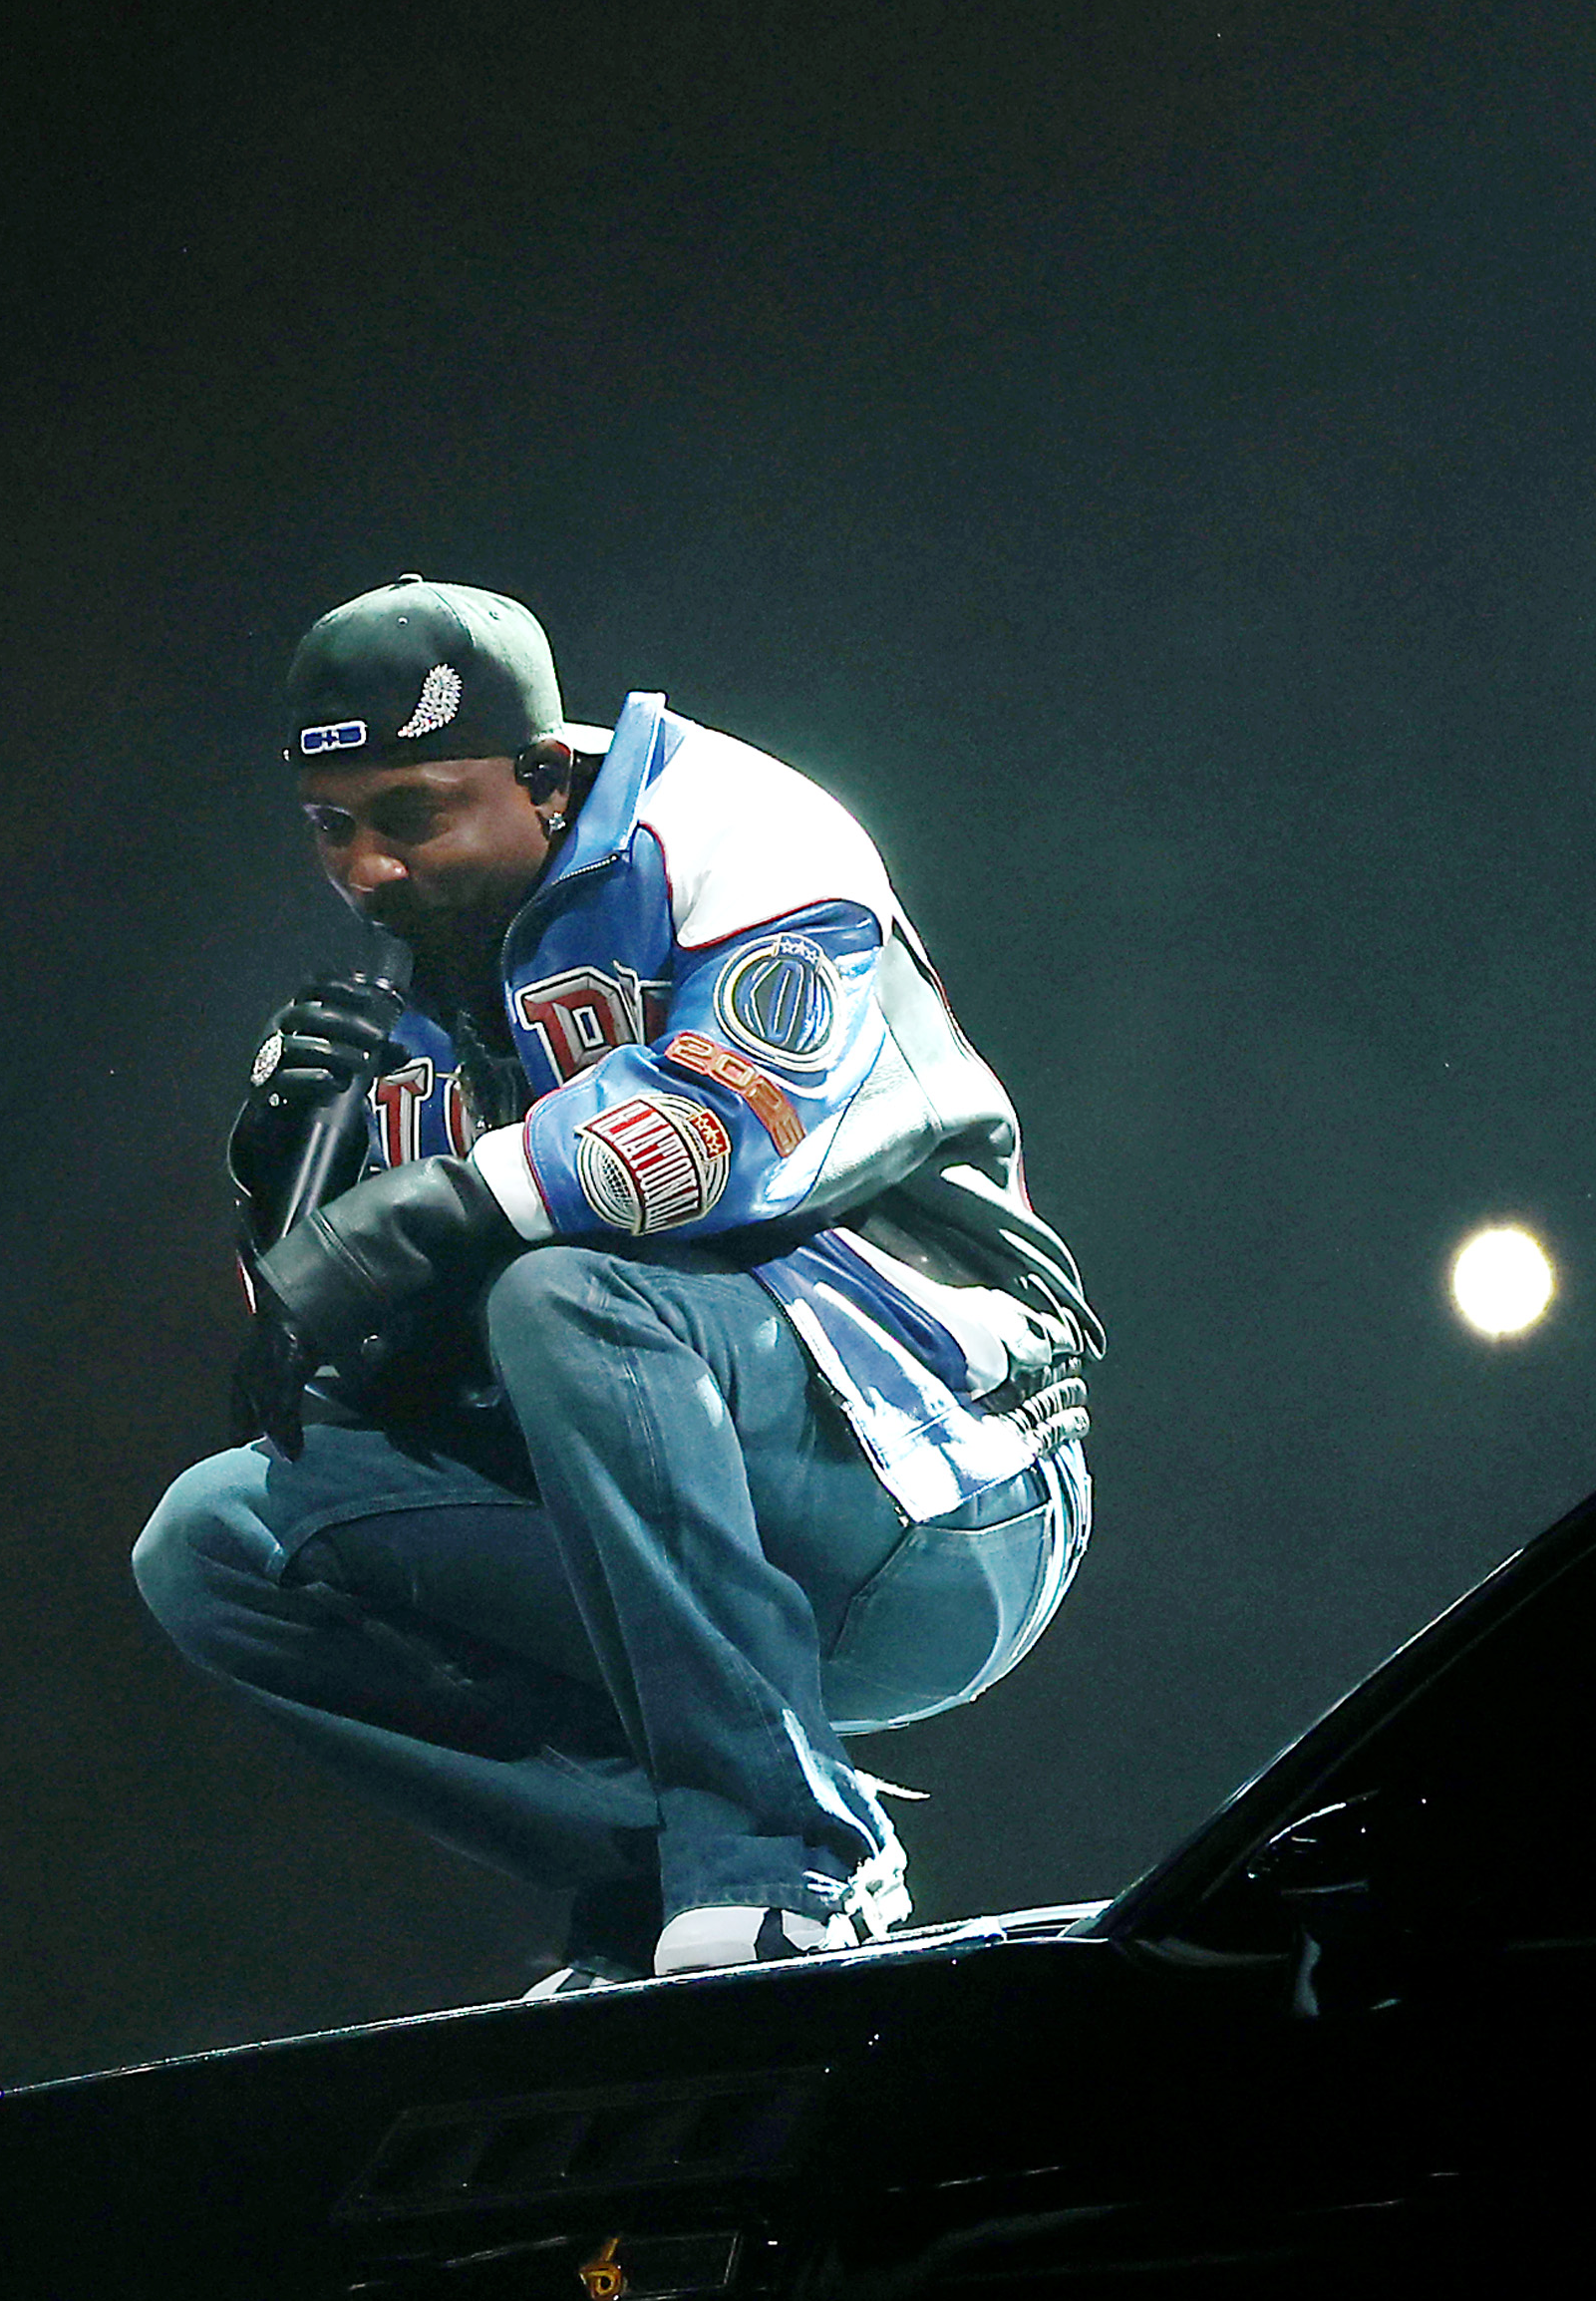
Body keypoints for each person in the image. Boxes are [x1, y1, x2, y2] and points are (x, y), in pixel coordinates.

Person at [130, 580, 1101, 1987]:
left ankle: (787, 1860)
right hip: (669, 1531)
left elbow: (728, 1127)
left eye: (409, 813)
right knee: (218, 1542)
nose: (368, 872)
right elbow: (345, 1358)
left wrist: (441, 1201)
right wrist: (287, 1170)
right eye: (333, 828)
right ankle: (664, 1881)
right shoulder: (402, 977)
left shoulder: (738, 831)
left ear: (540, 773)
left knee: (567, 1298)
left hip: (945, 1491)